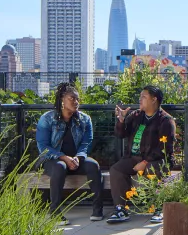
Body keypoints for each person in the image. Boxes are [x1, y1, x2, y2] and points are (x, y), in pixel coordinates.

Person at [35, 82, 104, 224]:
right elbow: (43, 147)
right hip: (52, 160)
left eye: (77, 99)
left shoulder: (85, 120)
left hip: (76, 160)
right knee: (60, 166)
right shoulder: (47, 119)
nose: (76, 102)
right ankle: (55, 212)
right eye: (72, 98)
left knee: (93, 165)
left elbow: (86, 143)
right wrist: (64, 157)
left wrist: (78, 158)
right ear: (62, 99)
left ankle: (98, 209)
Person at [106, 84, 176, 224]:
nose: (140, 100)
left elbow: (164, 149)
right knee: (116, 169)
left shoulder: (166, 120)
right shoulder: (136, 116)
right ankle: (121, 209)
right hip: (133, 158)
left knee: (153, 168)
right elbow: (121, 135)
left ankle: (159, 208)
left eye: (143, 97)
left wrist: (144, 163)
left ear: (154, 100)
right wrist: (121, 121)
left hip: (157, 160)